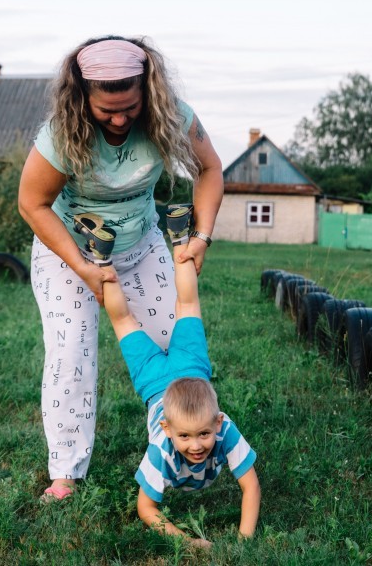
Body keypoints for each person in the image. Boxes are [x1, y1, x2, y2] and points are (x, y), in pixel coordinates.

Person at [18, 35, 224, 500]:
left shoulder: (173, 118)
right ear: (82, 96)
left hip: (140, 243)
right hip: (67, 253)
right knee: (71, 354)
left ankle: (179, 448)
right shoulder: (60, 133)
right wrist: (85, 269)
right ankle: (65, 473)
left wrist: (202, 237)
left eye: (129, 107)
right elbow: (32, 203)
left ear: (147, 91)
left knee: (174, 349)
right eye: (106, 110)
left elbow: (209, 170)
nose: (118, 119)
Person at [75, 205, 260, 546]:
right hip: (184, 370)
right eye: (186, 436)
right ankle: (166, 239)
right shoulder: (162, 448)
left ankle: (168, 240)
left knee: (157, 313)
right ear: (166, 429)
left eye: (204, 433)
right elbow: (145, 508)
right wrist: (187, 542)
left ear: (218, 422)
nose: (197, 445)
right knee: (154, 313)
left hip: (161, 376)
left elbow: (251, 485)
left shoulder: (225, 431)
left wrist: (244, 540)